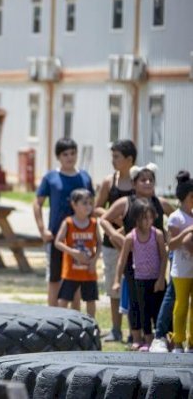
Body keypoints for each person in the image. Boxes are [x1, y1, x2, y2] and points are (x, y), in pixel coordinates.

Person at [101, 164, 174, 350]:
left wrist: (170, 238)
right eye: (143, 180)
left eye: (151, 180)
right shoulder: (126, 202)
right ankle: (136, 337)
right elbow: (104, 219)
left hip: (155, 263)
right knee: (135, 300)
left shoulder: (161, 203)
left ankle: (159, 336)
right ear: (134, 183)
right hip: (133, 261)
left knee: (156, 300)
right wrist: (114, 235)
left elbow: (176, 219)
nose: (148, 183)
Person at [33, 138, 94, 307]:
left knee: (77, 279)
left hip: (80, 237)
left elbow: (92, 206)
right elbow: (37, 203)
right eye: (65, 154)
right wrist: (42, 230)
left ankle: (75, 320)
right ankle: (52, 317)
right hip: (57, 237)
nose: (70, 157)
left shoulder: (84, 177)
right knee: (55, 278)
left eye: (73, 153)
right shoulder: (51, 177)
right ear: (58, 157)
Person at [94, 139, 136, 342]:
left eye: (117, 157)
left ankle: (134, 330)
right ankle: (116, 329)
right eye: (112, 156)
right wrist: (115, 216)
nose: (113, 161)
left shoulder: (139, 182)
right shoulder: (108, 182)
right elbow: (96, 207)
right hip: (111, 242)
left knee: (135, 285)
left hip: (135, 244)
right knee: (113, 285)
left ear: (129, 159)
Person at [113, 198, 167, 351]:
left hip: (156, 279)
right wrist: (116, 280)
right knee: (143, 312)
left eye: (150, 217)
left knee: (158, 311)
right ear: (136, 218)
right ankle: (148, 340)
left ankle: (161, 339)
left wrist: (161, 278)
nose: (147, 221)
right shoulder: (131, 237)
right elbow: (122, 260)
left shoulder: (157, 234)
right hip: (140, 280)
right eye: (144, 218)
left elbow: (164, 258)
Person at [54, 189, 101, 318]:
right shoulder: (68, 223)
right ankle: (60, 322)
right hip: (71, 271)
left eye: (90, 203)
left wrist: (94, 260)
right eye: (84, 203)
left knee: (90, 300)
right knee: (64, 299)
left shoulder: (94, 223)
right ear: (74, 205)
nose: (88, 206)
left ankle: (91, 324)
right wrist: (72, 252)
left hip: (88, 271)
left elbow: (99, 244)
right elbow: (57, 242)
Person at [167, 171, 193, 353]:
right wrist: (186, 232)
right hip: (181, 270)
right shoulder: (176, 217)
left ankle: (191, 342)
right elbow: (171, 244)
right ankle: (178, 341)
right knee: (181, 305)